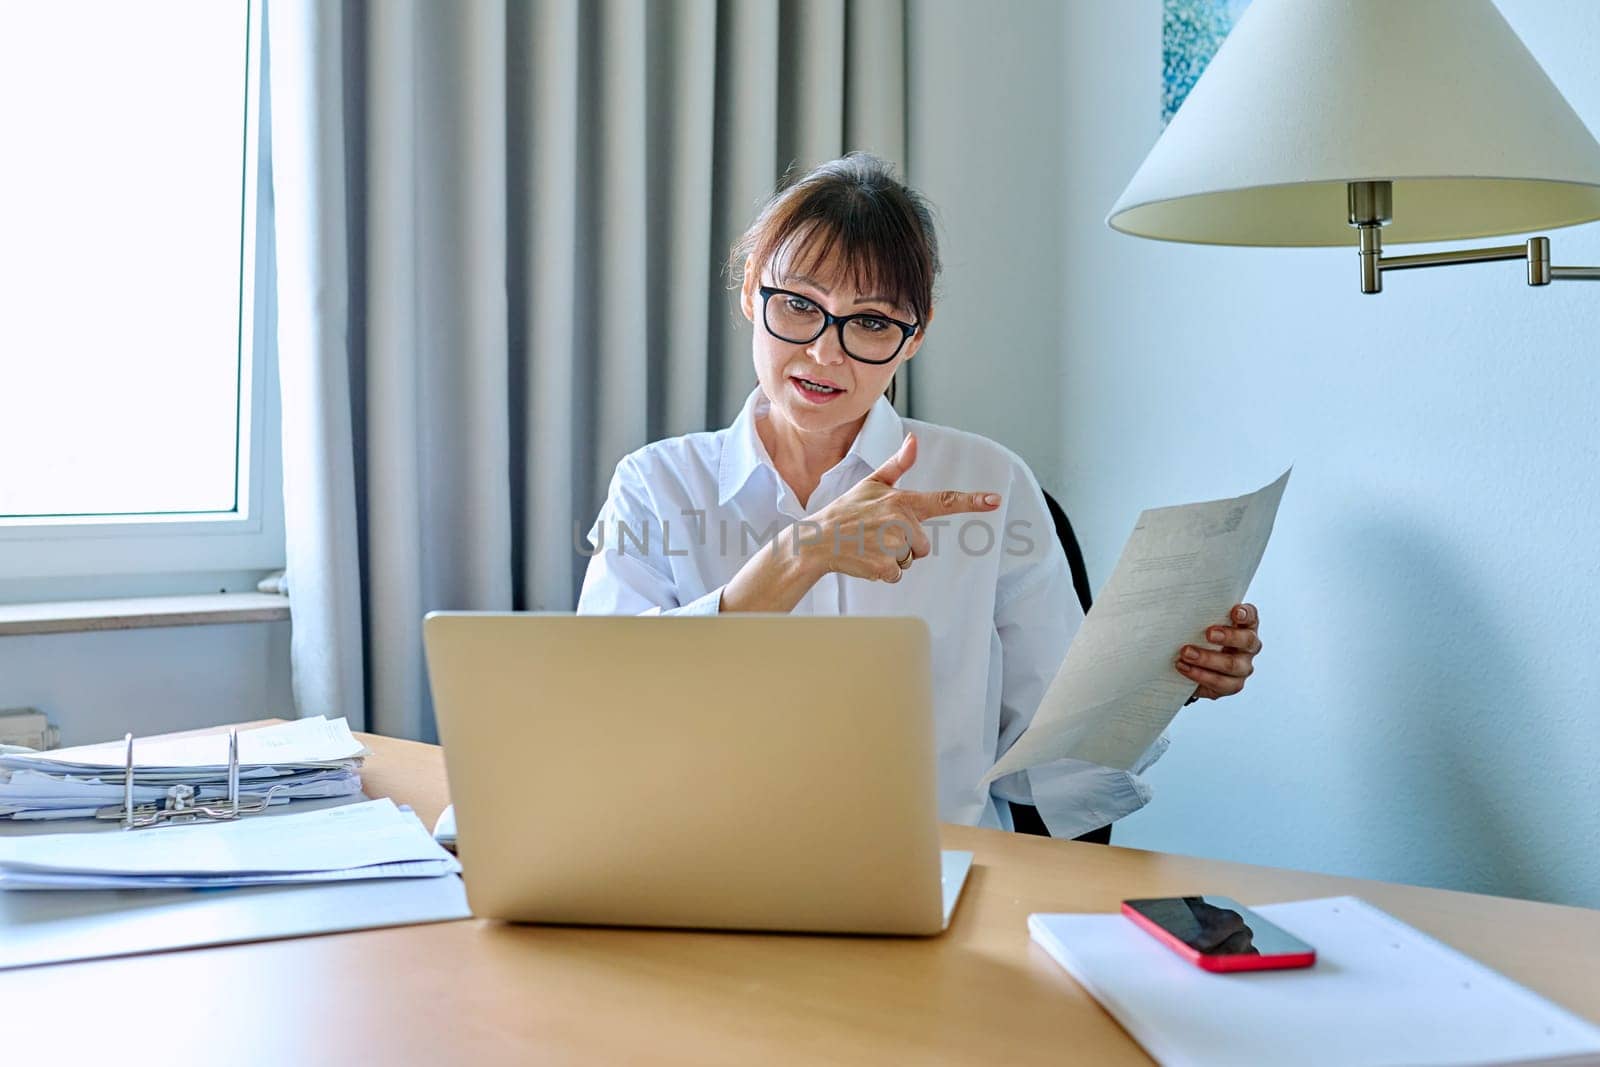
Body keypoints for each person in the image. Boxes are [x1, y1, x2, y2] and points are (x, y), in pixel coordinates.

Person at [576, 153, 1262, 839]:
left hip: (940, 876)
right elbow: (599, 719)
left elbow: (1054, 763)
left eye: (871, 322)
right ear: (751, 292)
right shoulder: (656, 486)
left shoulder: (987, 485)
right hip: (702, 877)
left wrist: (1166, 678)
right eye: (798, 305)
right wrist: (801, 555)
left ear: (916, 335)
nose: (824, 353)